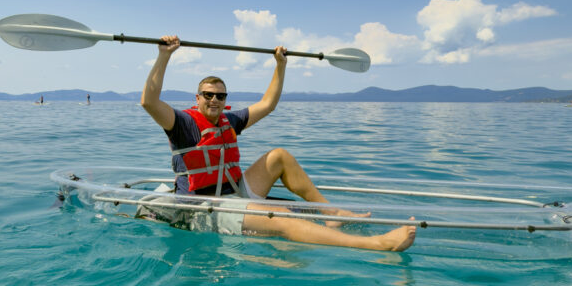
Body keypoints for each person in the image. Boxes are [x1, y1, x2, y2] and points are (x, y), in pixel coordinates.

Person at [141, 36, 416, 252]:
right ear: (197, 97)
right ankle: (378, 245)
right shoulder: (182, 124)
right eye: (208, 95)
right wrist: (164, 56)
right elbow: (149, 101)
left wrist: (280, 64)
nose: (215, 100)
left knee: (279, 156)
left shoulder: (229, 121)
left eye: (220, 96)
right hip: (204, 207)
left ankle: (330, 212)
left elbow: (268, 104)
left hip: (235, 192)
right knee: (283, 217)